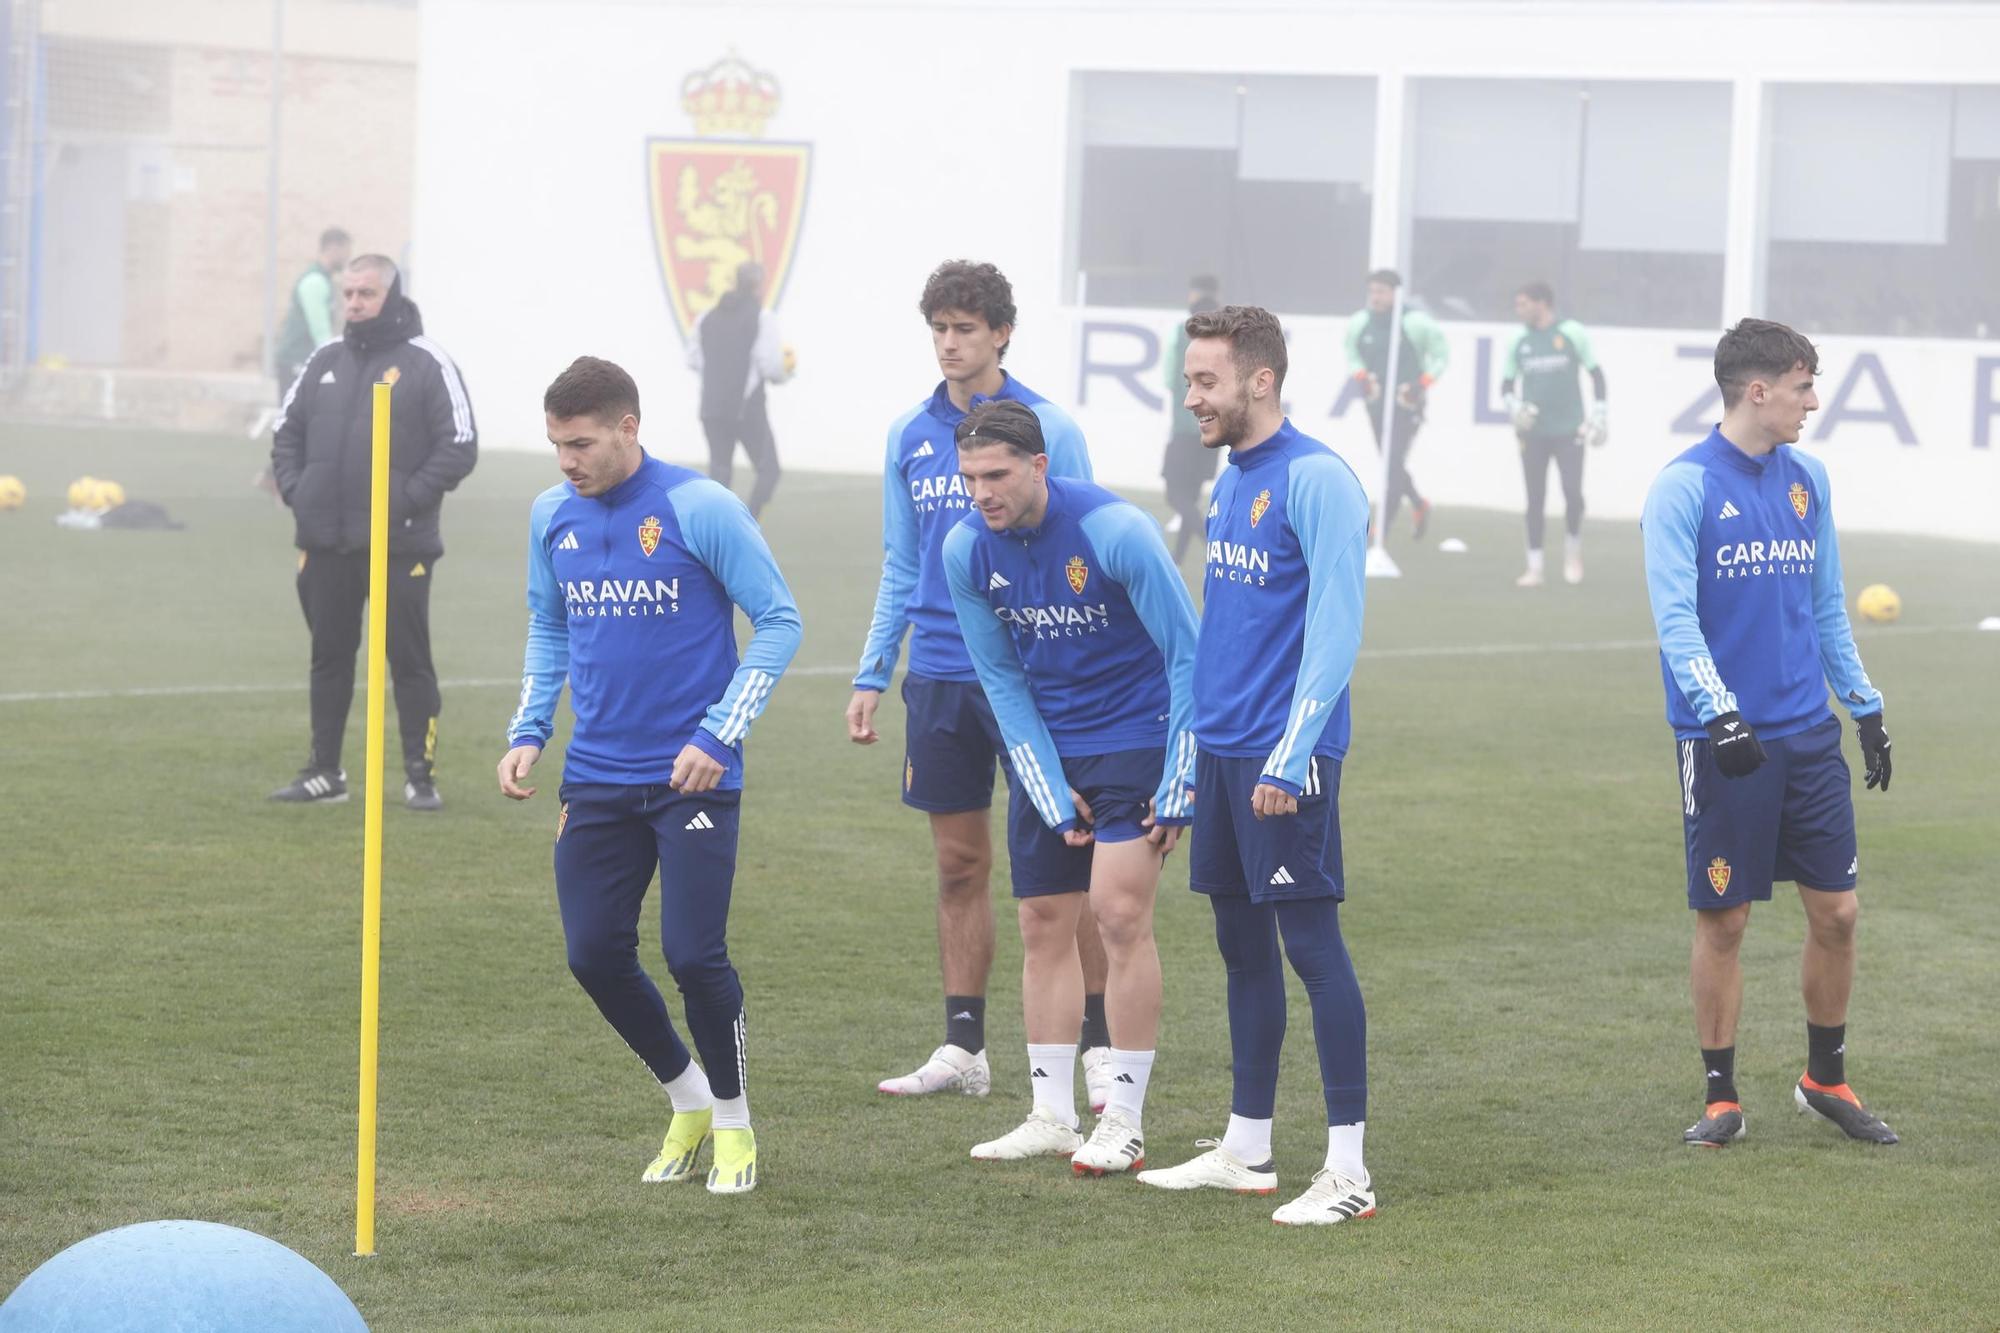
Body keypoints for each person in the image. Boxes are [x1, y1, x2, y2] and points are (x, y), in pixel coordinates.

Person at [499, 356, 802, 1195]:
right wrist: (530, 728)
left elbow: (780, 620)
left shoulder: (698, 507)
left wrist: (721, 733)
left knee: (693, 955)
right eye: (558, 444)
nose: (568, 461)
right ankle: (688, 1095)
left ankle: (736, 1123)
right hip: (595, 775)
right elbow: (549, 627)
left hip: (693, 776)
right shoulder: (550, 515)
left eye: (583, 443)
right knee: (592, 952)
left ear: (629, 428)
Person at [848, 260, 1115, 1109]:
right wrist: (871, 668)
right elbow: (900, 561)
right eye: (939, 328)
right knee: (959, 865)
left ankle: (1101, 1044)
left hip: (1036, 678)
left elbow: (1086, 549)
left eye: (965, 328)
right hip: (938, 676)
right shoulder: (907, 435)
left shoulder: (1049, 426)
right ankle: (965, 1044)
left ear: (1001, 332)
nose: (950, 343)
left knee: (1068, 868)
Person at [1136, 305, 1378, 1226]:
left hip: (1287, 758)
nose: (1189, 396)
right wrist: (1188, 760)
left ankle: (1349, 1168)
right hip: (1226, 752)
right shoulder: (1231, 478)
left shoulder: (1318, 480)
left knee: (1311, 947)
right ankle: (1247, 1145)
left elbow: (1336, 632)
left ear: (1259, 380)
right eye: (1188, 380)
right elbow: (1219, 640)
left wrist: (1293, 752)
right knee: (1241, 950)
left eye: (1204, 381)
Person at [1640, 318, 1897, 1150]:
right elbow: (1677, 622)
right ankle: (1721, 1096)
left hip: (1806, 736)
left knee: (1840, 912)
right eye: (1801, 386)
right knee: (1726, 920)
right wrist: (1721, 711)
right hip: (1723, 742)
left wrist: (1864, 705)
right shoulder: (1681, 488)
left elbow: (1826, 605)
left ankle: (1825, 1077)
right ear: (1758, 390)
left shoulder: (1806, 481)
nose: (1812, 403)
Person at [941, 399, 1198, 1176]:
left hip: (1134, 742)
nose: (981, 493)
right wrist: (1045, 782)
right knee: (1045, 922)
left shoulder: (1114, 531)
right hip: (1052, 752)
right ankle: (1052, 1113)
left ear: (1040, 466)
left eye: (996, 475)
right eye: (968, 479)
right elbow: (1001, 677)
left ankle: (1122, 1118)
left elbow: (1188, 653)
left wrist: (1181, 776)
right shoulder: (965, 550)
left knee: (1119, 917)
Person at [268, 255, 477, 810]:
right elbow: (284, 434)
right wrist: (299, 492)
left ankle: (419, 776)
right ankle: (324, 772)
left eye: (366, 293)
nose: (355, 303)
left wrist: (403, 502)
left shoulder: (427, 361)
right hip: (325, 542)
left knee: (409, 661)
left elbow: (459, 445)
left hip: (398, 545)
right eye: (349, 294)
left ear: (390, 293)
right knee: (329, 657)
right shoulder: (324, 360)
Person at [1501, 281, 1608, 586]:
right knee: (1535, 499)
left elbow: (1596, 374)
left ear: (1541, 303)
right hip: (1533, 431)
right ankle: (1534, 566)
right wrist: (1514, 406)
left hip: (1569, 428)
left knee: (1572, 494)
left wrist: (1599, 412)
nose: (1518, 310)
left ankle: (1573, 552)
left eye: (1523, 304)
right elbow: (1506, 384)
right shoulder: (1519, 340)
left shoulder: (1571, 332)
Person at [1342, 269, 1447, 540]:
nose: (1376, 297)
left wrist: (1422, 383)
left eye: (1382, 291)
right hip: (1376, 404)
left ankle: (1381, 529)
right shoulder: (1360, 322)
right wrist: (1361, 375)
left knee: (1392, 462)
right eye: (1372, 291)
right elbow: (1352, 354)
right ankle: (1418, 502)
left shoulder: (1415, 323)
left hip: (1406, 405)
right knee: (1392, 462)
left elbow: (1440, 355)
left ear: (1396, 294)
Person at [687, 261, 791, 518]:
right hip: (746, 409)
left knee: (720, 473)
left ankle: (715, 530)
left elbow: (693, 359)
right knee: (769, 469)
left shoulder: (706, 318)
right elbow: (770, 367)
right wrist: (787, 371)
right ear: (758, 285)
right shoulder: (762, 318)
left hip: (712, 407)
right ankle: (748, 520)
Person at [254, 227, 351, 488]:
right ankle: (276, 478)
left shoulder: (326, 281)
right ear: (333, 248)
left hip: (307, 362)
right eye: (345, 251)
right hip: (296, 361)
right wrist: (334, 361)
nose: (347, 257)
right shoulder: (314, 282)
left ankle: (275, 476)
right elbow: (319, 329)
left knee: (312, 422)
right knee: (300, 422)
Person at [1160, 275, 1221, 562]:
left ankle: (1211, 543)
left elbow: (1171, 379)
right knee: (1192, 497)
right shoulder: (1226, 337)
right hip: (1214, 426)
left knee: (1175, 494)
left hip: (1185, 426)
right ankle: (1178, 559)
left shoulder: (1182, 332)